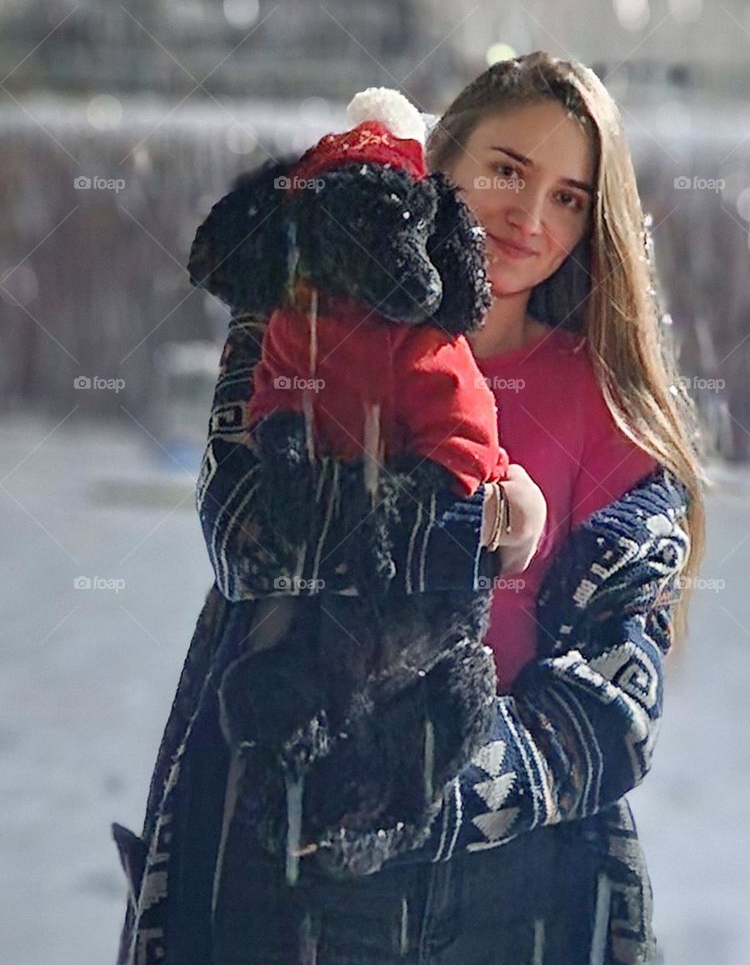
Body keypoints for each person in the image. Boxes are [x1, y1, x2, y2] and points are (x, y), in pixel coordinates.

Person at [112, 51, 707, 965]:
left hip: (513, 891)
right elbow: (243, 536)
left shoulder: (609, 405)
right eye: (508, 170)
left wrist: (421, 784)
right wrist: (463, 524)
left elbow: (617, 700)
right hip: (285, 860)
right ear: (439, 162)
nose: (529, 215)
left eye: (569, 197)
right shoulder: (295, 322)